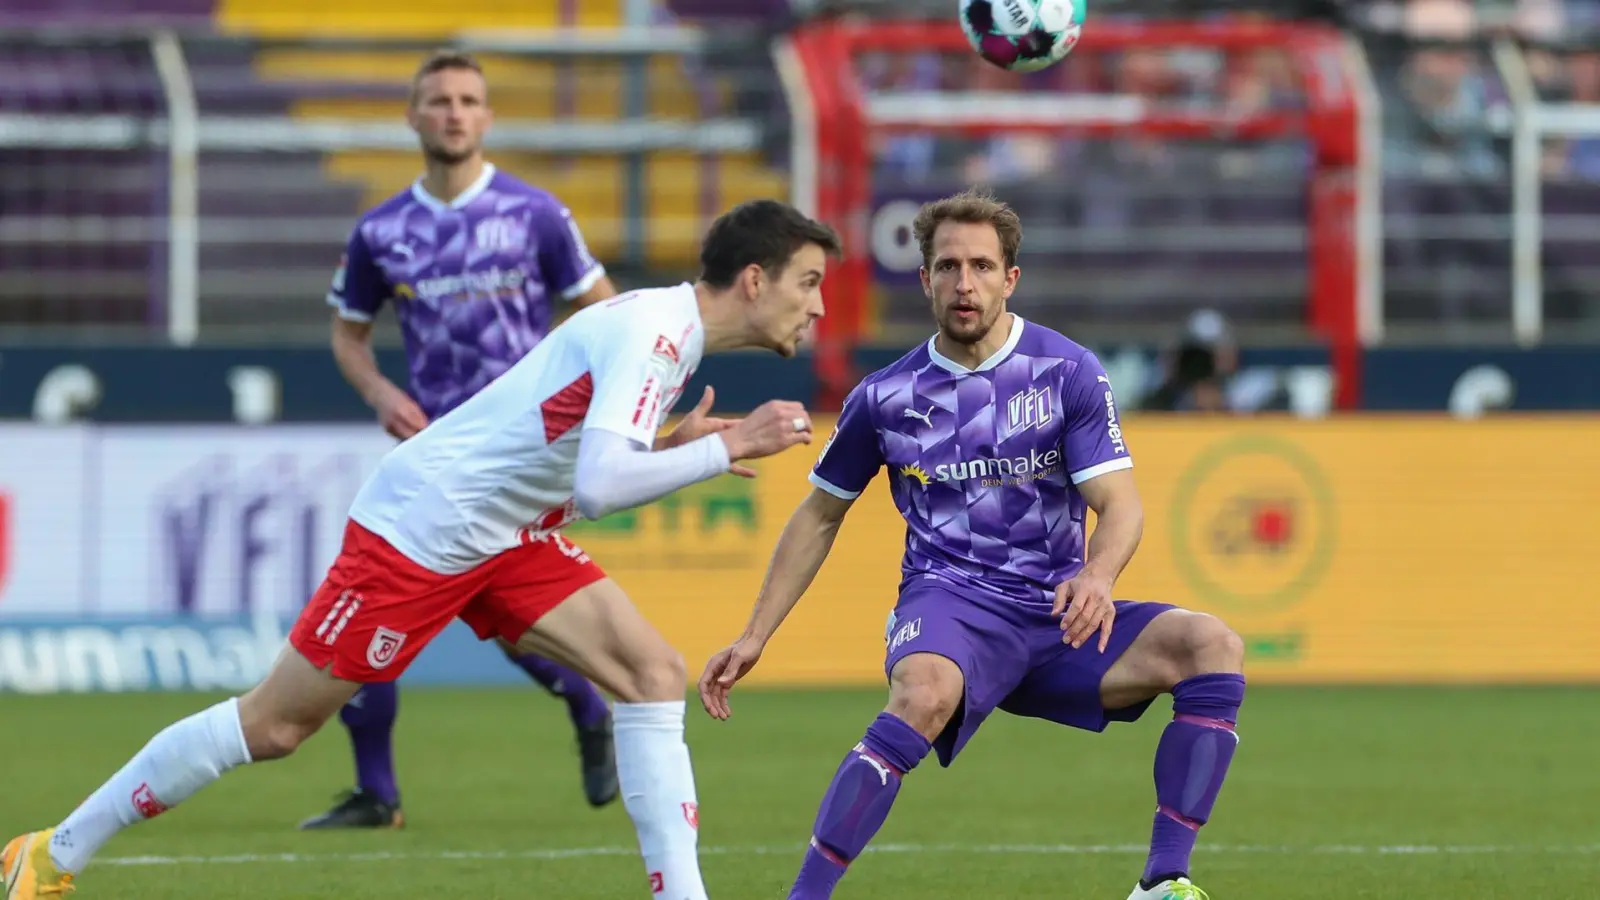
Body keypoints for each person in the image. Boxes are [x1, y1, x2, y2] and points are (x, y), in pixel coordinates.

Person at [3, 198, 842, 900]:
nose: (819, 306)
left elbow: (581, 461)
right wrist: (725, 449)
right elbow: (596, 487)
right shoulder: (657, 333)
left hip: (505, 531)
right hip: (424, 530)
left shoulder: (664, 328)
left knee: (652, 674)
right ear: (756, 279)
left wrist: (670, 446)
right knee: (276, 725)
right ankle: (48, 854)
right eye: (809, 283)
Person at [698, 190, 1247, 900]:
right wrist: (755, 633)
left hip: (1058, 615)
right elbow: (818, 516)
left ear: (1010, 278)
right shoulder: (885, 396)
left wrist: (1099, 574)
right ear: (923, 278)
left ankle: (1162, 882)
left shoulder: (1066, 371)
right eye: (948, 266)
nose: (965, 284)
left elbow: (1120, 504)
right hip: (950, 608)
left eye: (982, 266)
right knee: (923, 691)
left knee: (1213, 645)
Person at [315, 48, 624, 829]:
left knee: (464, 606)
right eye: (439, 100)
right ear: (414, 116)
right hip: (435, 450)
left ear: (486, 118)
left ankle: (583, 708)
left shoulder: (535, 215)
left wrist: (580, 400)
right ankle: (380, 790)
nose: (454, 112)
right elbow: (348, 336)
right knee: (385, 597)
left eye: (467, 100)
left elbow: (606, 312)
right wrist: (382, 391)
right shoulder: (381, 231)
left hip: (521, 453)